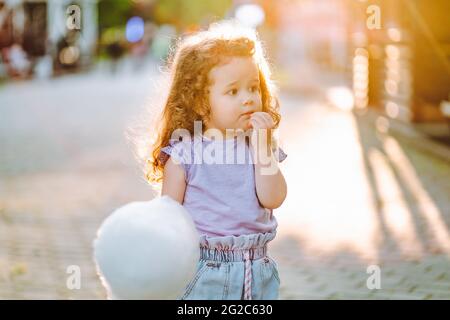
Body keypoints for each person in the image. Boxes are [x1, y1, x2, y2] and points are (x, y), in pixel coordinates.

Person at [144, 20, 287, 300]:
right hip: (203, 272)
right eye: (233, 91)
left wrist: (262, 148)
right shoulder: (185, 154)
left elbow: (274, 198)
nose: (248, 99)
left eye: (253, 88)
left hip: (256, 270)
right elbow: (168, 220)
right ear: (199, 101)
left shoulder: (258, 145)